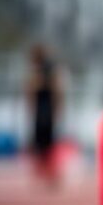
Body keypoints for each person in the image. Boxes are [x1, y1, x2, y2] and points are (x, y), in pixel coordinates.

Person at [26, 44, 63, 187]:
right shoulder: (44, 68)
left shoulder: (45, 68)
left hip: (45, 109)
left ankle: (49, 172)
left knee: (45, 141)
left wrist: (56, 108)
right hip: (44, 108)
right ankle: (47, 172)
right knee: (43, 141)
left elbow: (53, 88)